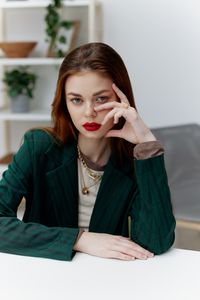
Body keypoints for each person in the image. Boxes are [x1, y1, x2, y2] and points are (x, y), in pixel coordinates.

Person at [0, 42, 175, 261]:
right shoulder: (39, 147)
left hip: (105, 276)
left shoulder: (133, 159)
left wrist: (147, 143)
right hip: (45, 273)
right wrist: (80, 239)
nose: (89, 112)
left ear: (121, 100)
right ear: (64, 103)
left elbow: (156, 241)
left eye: (101, 98)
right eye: (76, 100)